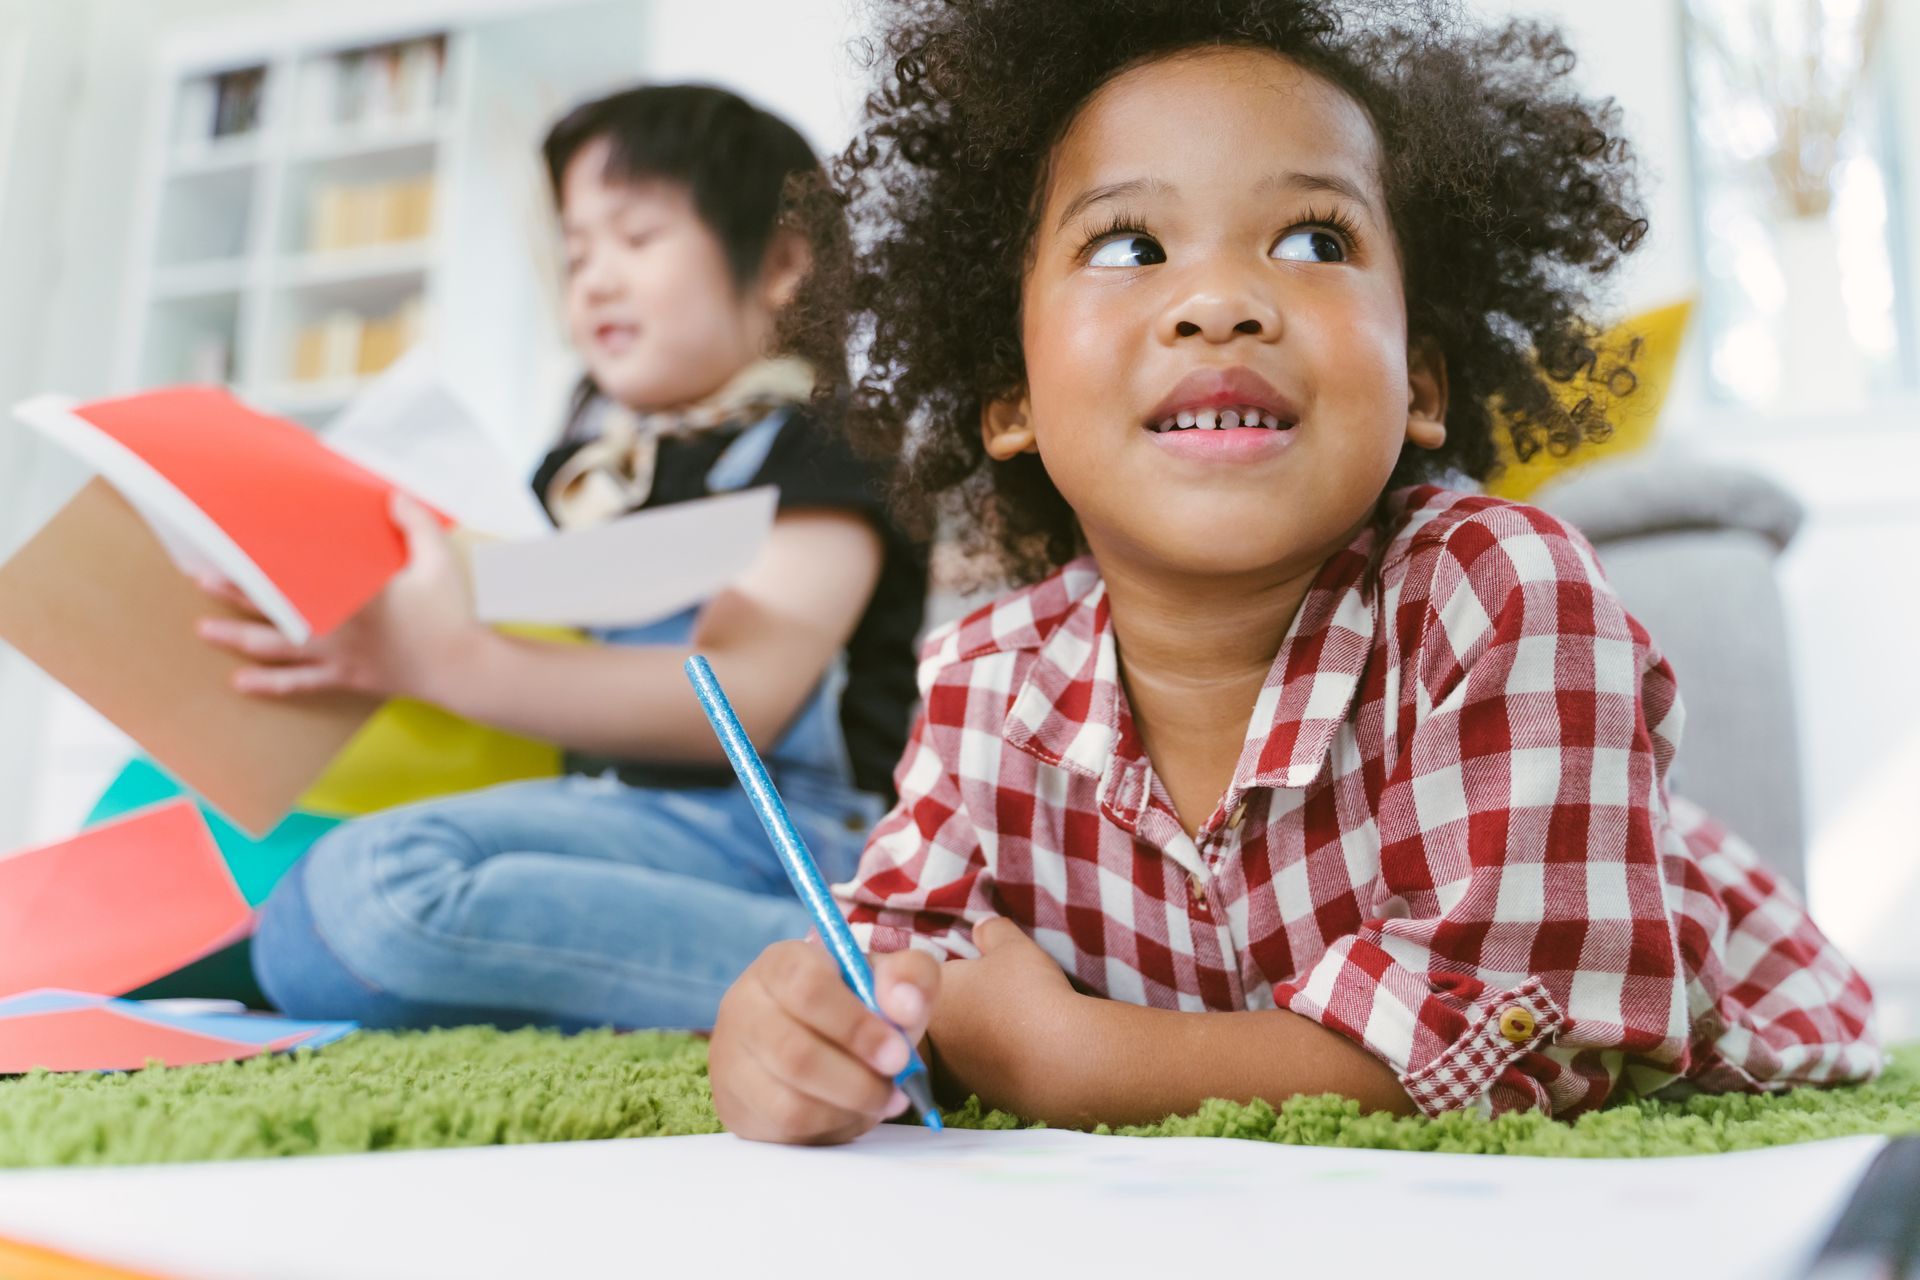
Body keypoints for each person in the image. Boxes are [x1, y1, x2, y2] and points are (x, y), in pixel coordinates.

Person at [706, 0, 1883, 1143]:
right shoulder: (980, 684)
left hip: (1708, 999)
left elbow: (1531, 1045)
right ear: (1008, 397)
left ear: (1419, 381)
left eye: (1314, 240)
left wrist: (1070, 1058)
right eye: (1130, 246)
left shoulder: (1502, 595)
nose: (1219, 301)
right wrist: (800, 1039)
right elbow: (895, 975)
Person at [204, 84, 927, 1031]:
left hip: (770, 834)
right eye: (577, 251)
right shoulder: (582, 470)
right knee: (256, 889)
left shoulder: (821, 447)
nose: (590, 280)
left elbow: (741, 700)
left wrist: (448, 660)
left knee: (376, 889)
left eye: (634, 238)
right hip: (599, 812)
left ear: (784, 262)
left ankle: (861, 965)